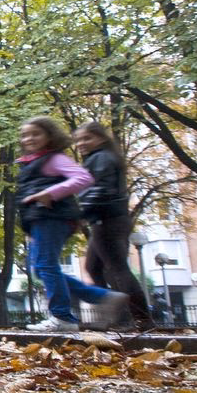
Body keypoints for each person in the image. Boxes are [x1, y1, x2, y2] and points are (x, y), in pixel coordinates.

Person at [16, 116, 128, 332]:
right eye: (25, 135)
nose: (29, 138)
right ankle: (103, 297)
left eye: (36, 134)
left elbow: (83, 178)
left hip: (53, 218)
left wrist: (51, 193)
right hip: (40, 220)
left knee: (46, 266)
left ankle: (63, 317)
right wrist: (30, 228)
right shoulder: (32, 162)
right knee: (40, 270)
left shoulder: (53, 159)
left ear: (50, 136)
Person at [73, 122, 154, 331]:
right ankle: (116, 316)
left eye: (87, 138)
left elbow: (101, 190)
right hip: (105, 219)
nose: (81, 143)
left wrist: (80, 214)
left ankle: (139, 318)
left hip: (107, 220)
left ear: (101, 138)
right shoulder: (100, 157)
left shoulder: (101, 158)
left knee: (118, 269)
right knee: (93, 267)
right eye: (79, 140)